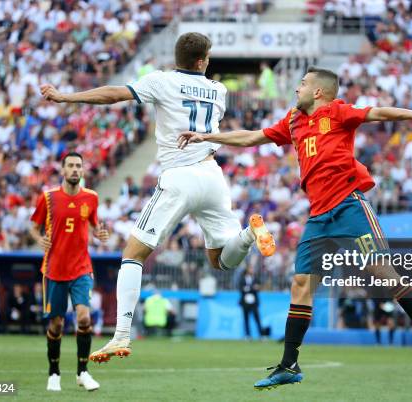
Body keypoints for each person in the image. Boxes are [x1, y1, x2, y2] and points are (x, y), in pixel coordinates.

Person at [178, 66, 412, 389]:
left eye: (303, 84)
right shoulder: (293, 122)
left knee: (381, 271)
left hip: (349, 206)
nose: (297, 89)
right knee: (301, 284)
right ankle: (289, 364)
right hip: (319, 217)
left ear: (318, 91)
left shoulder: (337, 112)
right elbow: (252, 137)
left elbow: (375, 113)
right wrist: (207, 137)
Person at [40, 32, 276, 363]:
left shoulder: (162, 81)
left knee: (133, 254)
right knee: (221, 260)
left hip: (179, 176)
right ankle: (251, 233)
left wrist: (67, 97)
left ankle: (121, 335)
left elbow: (113, 94)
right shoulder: (218, 90)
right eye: (207, 57)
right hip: (213, 176)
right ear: (201, 61)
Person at [29, 152, 108, 392]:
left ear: (82, 171)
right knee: (56, 325)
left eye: (78, 166)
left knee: (83, 317)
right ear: (63, 170)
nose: (75, 170)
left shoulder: (91, 198)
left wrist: (100, 233)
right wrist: (38, 238)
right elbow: (33, 226)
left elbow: (95, 224)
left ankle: (83, 372)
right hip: (54, 271)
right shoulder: (48, 198)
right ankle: (54, 373)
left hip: (81, 268)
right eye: (71, 166)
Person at [239, 265, 264, 339]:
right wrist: (252, 288)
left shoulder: (256, 278)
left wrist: (248, 288)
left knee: (257, 318)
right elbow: (241, 289)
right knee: (246, 318)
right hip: (245, 301)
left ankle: (261, 335)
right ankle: (247, 335)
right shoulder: (242, 279)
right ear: (247, 270)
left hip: (254, 301)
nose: (252, 270)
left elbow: (258, 287)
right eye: (251, 268)